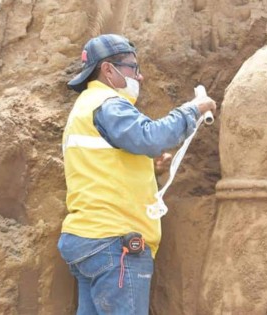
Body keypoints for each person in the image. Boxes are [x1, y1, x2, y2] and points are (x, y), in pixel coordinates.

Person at [57, 34, 216, 314]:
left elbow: (101, 163)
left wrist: (149, 169)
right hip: (114, 243)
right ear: (108, 70)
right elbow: (150, 137)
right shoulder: (108, 102)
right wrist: (192, 110)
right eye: (133, 67)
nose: (139, 77)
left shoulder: (84, 107)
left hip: (87, 239)